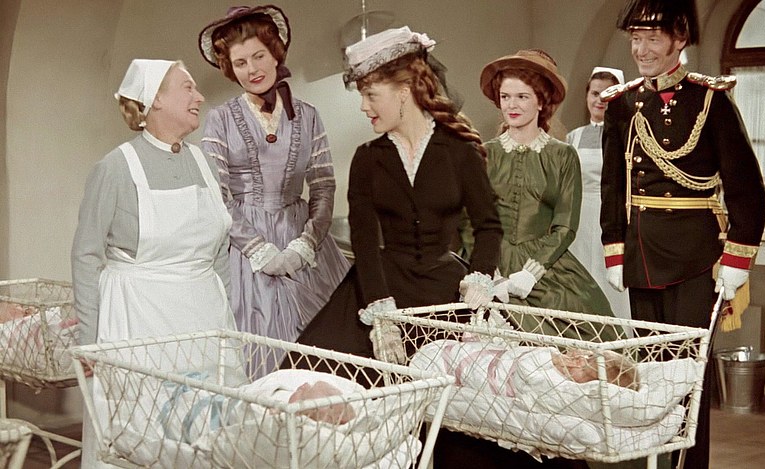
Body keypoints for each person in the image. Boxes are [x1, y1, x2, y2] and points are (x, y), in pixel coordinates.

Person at [289, 25, 508, 469]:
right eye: (363, 96)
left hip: (445, 291)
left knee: (462, 411)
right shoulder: (368, 158)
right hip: (380, 288)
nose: (364, 107)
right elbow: (365, 241)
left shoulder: (459, 152)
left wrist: (480, 278)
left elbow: (488, 226)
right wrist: (380, 311)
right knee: (320, 383)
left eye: (371, 95)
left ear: (404, 90)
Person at [600, 1, 765, 468]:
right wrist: (615, 249)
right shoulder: (623, 104)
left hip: (697, 258)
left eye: (652, 39)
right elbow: (613, 186)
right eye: (635, 39)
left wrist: (737, 259)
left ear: (679, 39)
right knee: (650, 373)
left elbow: (745, 187)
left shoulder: (710, 100)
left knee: (688, 375)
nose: (641, 49)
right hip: (643, 256)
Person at [71, 59, 236, 468]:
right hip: (139, 324)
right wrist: (90, 340)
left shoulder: (205, 163)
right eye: (188, 88)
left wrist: (227, 323)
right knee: (141, 435)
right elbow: (86, 254)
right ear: (155, 99)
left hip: (204, 321)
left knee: (212, 433)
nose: (200, 97)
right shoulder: (116, 167)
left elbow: (220, 251)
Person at [198, 5, 350, 375]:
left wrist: (307, 243)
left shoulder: (308, 115)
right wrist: (259, 250)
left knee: (327, 346)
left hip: (302, 235)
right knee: (260, 352)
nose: (252, 69)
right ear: (229, 68)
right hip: (244, 246)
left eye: (259, 56)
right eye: (240, 63)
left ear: (275, 53)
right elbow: (217, 195)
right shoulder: (219, 119)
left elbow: (323, 184)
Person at [478, 50, 620, 345]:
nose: (512, 105)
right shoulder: (486, 153)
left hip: (546, 266)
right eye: (505, 97)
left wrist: (531, 274)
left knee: (598, 339)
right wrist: (489, 272)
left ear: (541, 101)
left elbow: (565, 226)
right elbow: (473, 222)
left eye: (522, 97)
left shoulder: (562, 155)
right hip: (495, 265)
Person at [566, 67, 632, 321]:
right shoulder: (573, 137)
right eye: (595, 94)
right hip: (580, 218)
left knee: (609, 278)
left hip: (613, 215)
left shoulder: (626, 135)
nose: (599, 100)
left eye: (607, 95)